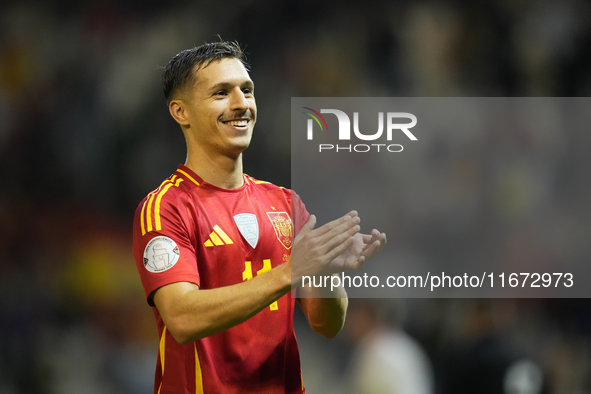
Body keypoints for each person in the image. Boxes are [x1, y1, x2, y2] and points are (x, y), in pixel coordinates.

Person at [132, 40, 386, 394]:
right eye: (221, 93)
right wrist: (290, 272)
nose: (241, 104)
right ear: (181, 112)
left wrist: (325, 270)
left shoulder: (284, 203)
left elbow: (326, 323)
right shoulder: (166, 208)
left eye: (247, 90)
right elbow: (182, 317)